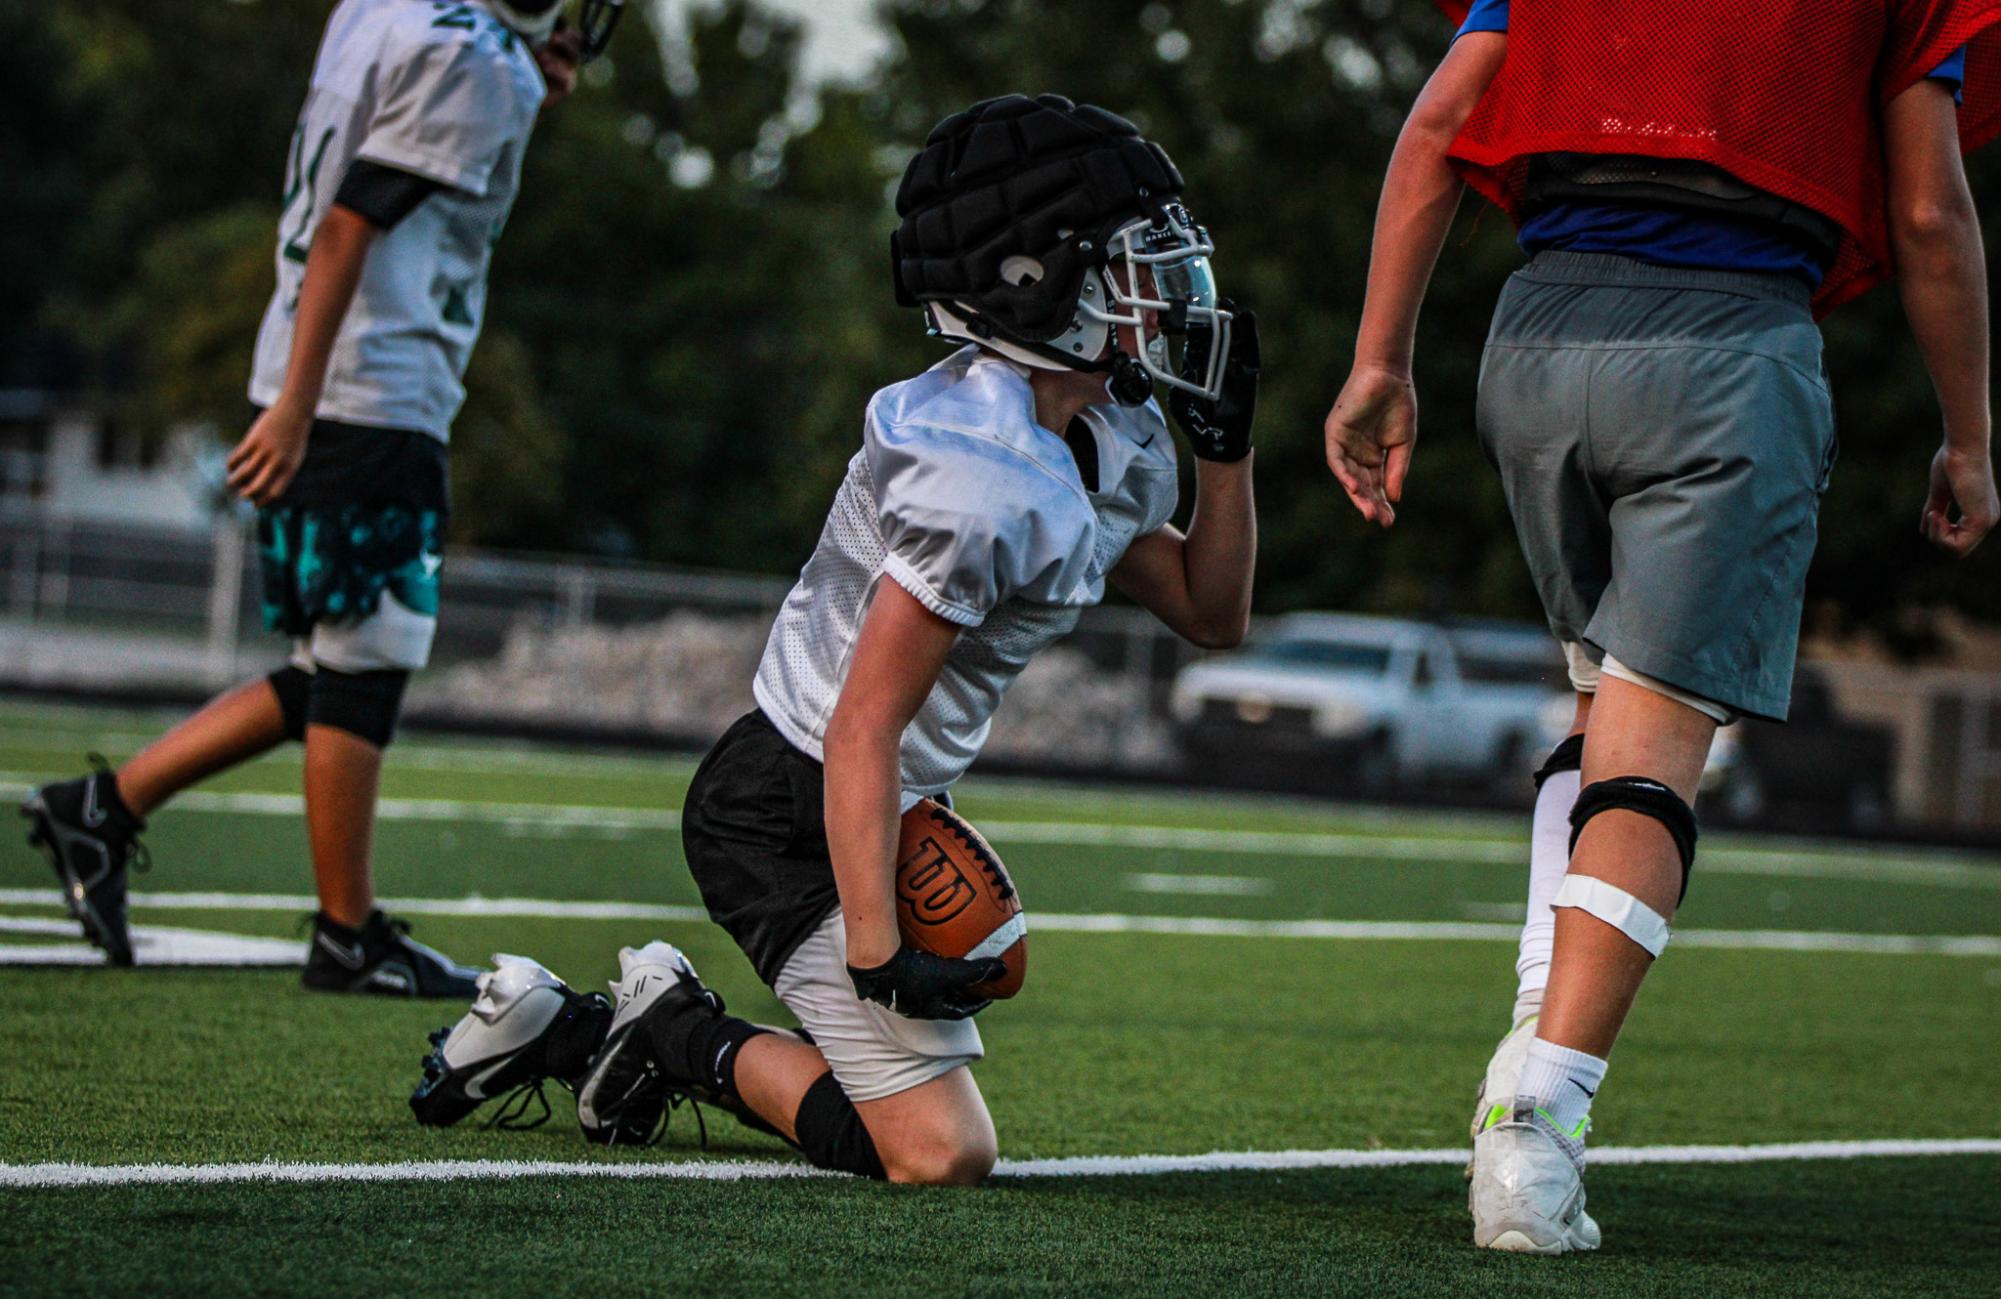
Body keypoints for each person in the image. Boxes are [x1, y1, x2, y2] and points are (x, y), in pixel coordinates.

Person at [409, 94, 1261, 1183]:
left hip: (885, 793)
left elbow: (1210, 613)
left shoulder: (1104, 431)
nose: (1170, 288)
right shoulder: (981, 476)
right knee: (939, 1154)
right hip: (790, 801)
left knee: (936, 1143)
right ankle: (663, 1029)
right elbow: (863, 725)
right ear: (1034, 281)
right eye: (1136, 260)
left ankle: (601, 1031)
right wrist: (878, 954)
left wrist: (1227, 454)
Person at [1323, 0, 2001, 1254]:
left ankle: (1537, 1026)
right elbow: (1927, 212)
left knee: (1600, 709)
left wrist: (1381, 359)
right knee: (1650, 757)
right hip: (1727, 342)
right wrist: (1969, 430)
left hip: (1537, 341)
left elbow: (1438, 125)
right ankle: (1537, 1129)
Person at [22, 0, 617, 994]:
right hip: (367, 386)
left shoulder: (388, 13)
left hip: (328, 369)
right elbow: (352, 223)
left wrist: (520, 66)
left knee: (345, 659)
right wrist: (301, 408)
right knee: (368, 657)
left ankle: (105, 808)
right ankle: (347, 934)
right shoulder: (471, 60)